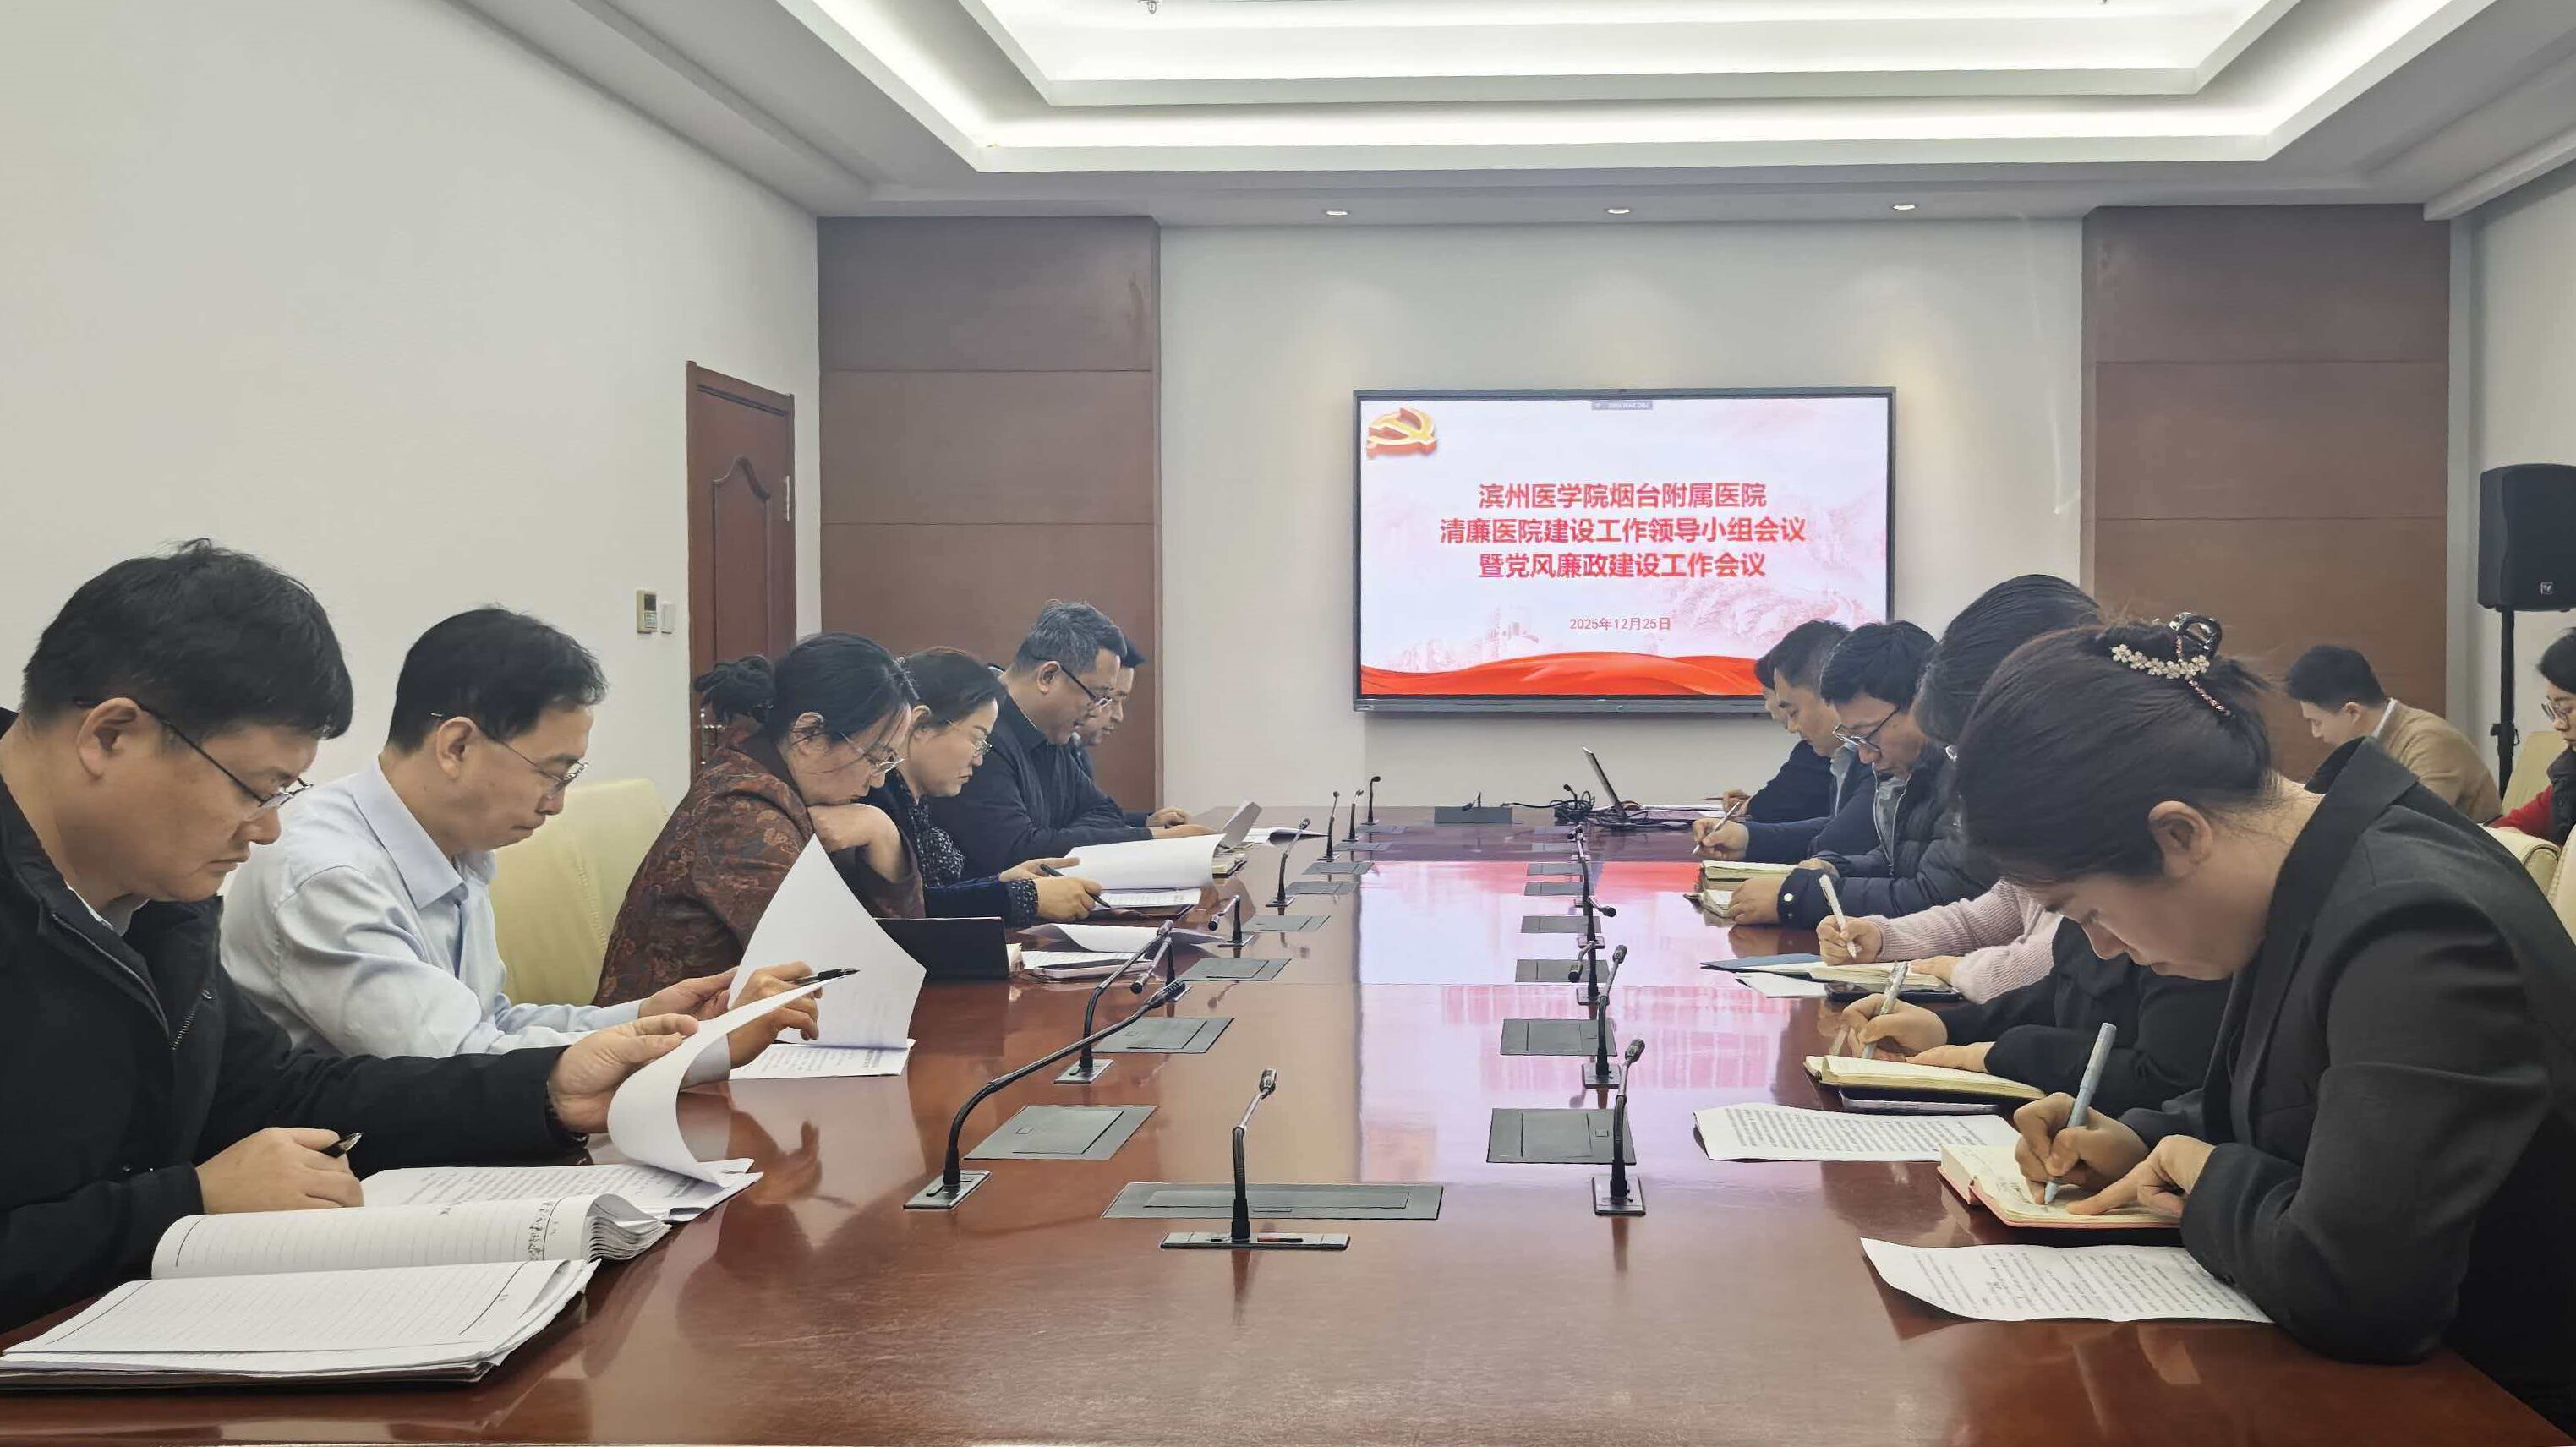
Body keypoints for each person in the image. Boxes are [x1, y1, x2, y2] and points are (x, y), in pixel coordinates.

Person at [0, 543, 717, 1331]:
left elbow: (277, 1092)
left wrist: (545, 1090)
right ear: (111, 736)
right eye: (255, 789)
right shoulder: (189, 873)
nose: (268, 830)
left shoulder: (155, 894)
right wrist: (183, 1203)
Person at [1963, 614, 2576, 1433]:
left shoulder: (2414, 923)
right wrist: (2142, 1139)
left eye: (2088, 911)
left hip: (2494, 1406)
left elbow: (2355, 1287)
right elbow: (2295, 1113)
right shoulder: (2311, 875)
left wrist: (2201, 1175)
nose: (2101, 946)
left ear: (2177, 834)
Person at [222, 609, 814, 1059]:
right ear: (457, 746)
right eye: (551, 773)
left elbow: (493, 1023)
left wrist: (647, 1019)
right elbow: (454, 1065)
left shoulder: (454, 848)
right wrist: (686, 1045)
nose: (556, 804)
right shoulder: (328, 875)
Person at [594, 634, 923, 1005]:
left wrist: (882, 833)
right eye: (875, 758)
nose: (877, 780)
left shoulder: (770, 782)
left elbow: (889, 952)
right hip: (667, 1035)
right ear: (809, 734)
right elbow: (836, 971)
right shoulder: (739, 813)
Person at [1724, 621, 1992, 926]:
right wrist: (1836, 868)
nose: (1865, 756)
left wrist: (1796, 898)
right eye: (1855, 738)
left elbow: (1934, 896)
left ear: (1922, 704)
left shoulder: (1966, 776)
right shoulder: (1916, 771)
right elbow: (1897, 861)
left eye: (1868, 734)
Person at [930, 603, 1210, 877]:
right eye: (1097, 695)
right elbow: (1017, 851)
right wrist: (1150, 839)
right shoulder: (980, 738)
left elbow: (1103, 810)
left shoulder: (1052, 733)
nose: (1097, 710)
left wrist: (1056, 836)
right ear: (1048, 676)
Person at [869, 647, 1104, 925]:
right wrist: (1025, 896)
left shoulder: (913, 802)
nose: (979, 759)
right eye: (976, 739)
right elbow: (914, 912)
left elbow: (937, 896)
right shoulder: (876, 802)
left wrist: (1002, 881)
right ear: (922, 724)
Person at [1696, 620, 1864, 863]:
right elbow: (1837, 829)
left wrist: (1804, 884)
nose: (1792, 727)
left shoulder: (1878, 758)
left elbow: (1845, 842)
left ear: (1831, 694)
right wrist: (1746, 838)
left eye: (1793, 711)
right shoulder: (1847, 755)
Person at [2286, 643, 2498, 818]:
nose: (2316, 733)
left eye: (2317, 722)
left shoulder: (2430, 741)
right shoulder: (2367, 744)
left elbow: (2416, 828)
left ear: (2352, 712)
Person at [1071, 637, 1187, 831]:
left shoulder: (1078, 753)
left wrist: (1146, 823)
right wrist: (1149, 835)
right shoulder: (1047, 750)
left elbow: (1085, 822)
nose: (1119, 716)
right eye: (1109, 699)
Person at [2488, 626, 2576, 844]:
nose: (2558, 724)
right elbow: (2501, 831)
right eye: (2554, 709)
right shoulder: (2568, 780)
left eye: (2566, 709)